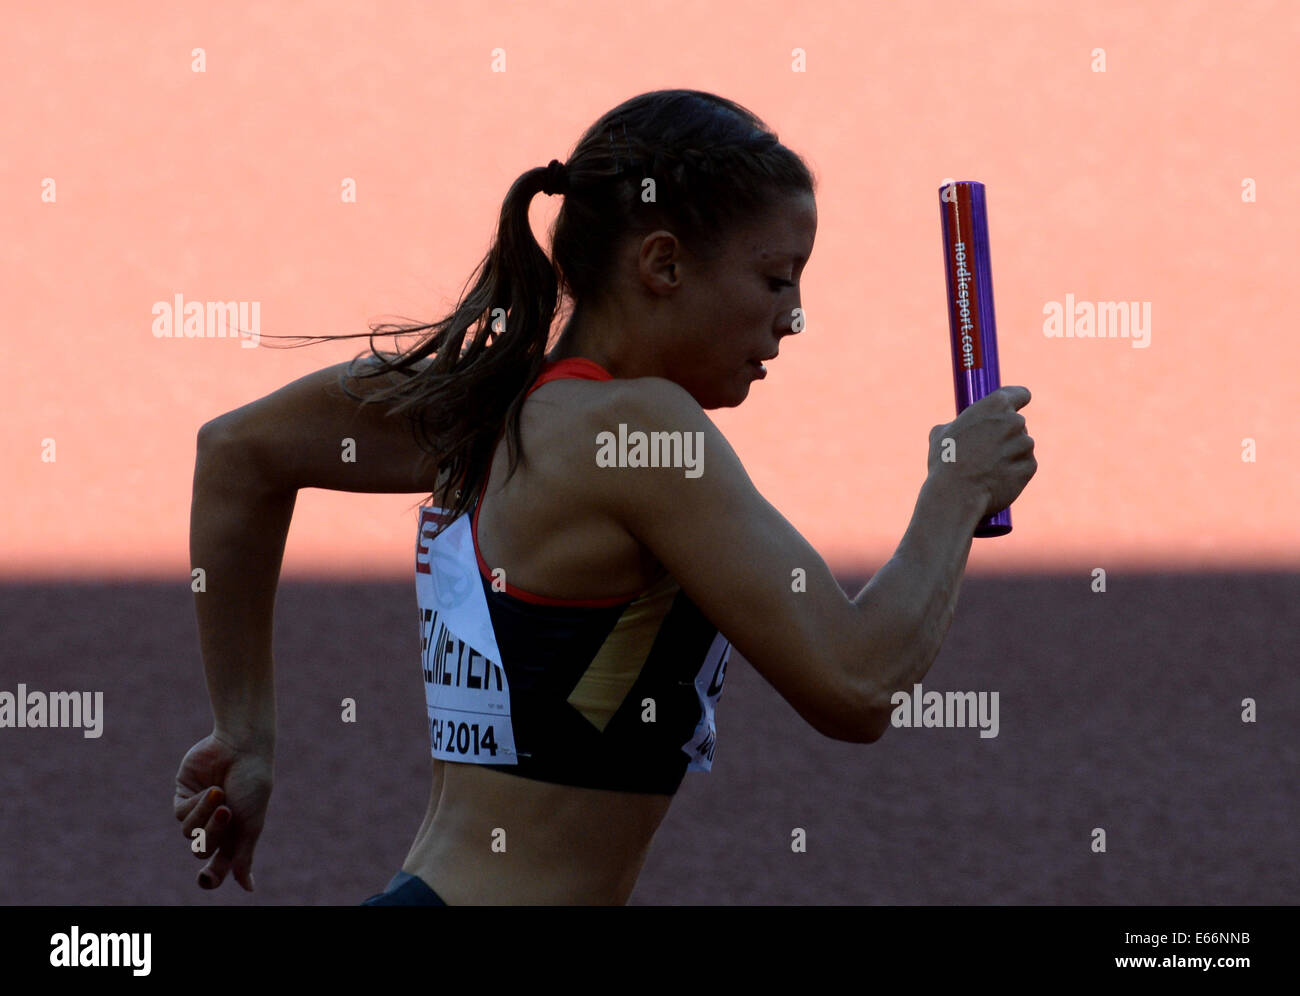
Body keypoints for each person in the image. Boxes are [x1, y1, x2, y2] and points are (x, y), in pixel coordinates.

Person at [172, 88, 1036, 905]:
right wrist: (956, 491)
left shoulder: (489, 399)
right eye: (777, 280)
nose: (794, 317)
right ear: (663, 263)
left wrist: (245, 731)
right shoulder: (639, 432)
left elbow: (240, 455)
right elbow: (854, 684)